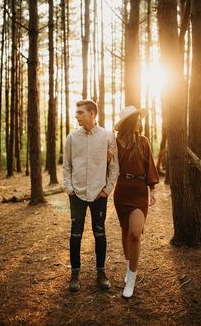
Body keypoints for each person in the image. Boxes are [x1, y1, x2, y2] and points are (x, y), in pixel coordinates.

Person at [63, 100, 119, 292]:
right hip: (77, 194)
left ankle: (101, 272)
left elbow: (114, 167)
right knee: (75, 234)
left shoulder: (107, 136)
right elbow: (67, 166)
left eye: (80, 112)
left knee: (100, 233)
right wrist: (70, 189)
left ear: (92, 113)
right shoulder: (71, 138)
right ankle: (75, 273)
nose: (76, 116)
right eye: (76, 112)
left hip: (99, 195)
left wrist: (107, 190)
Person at [113, 105, 159, 298]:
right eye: (138, 119)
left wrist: (152, 190)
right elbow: (109, 168)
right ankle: (128, 266)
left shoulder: (143, 142)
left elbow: (150, 166)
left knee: (135, 234)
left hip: (139, 193)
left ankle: (131, 279)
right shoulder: (114, 143)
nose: (141, 122)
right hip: (121, 193)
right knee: (125, 233)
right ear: (130, 122)